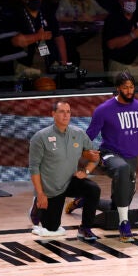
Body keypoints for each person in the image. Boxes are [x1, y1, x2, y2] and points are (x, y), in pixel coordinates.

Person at [67, 71, 138, 242]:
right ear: (117, 89)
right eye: (125, 88)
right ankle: (124, 224)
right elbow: (88, 136)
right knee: (121, 169)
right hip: (109, 155)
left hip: (131, 160)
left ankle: (84, 201)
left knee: (119, 205)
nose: (129, 91)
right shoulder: (104, 110)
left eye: (131, 87)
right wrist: (73, 155)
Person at [28, 100, 100, 240]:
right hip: (50, 188)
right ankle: (36, 207)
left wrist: (85, 172)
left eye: (68, 112)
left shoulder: (78, 134)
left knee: (93, 189)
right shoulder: (40, 137)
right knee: (52, 227)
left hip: (70, 182)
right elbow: (33, 168)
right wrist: (41, 193)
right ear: (53, 114)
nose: (66, 115)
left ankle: (85, 228)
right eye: (61, 112)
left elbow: (95, 157)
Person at [10, 0, 68, 79]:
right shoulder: (17, 16)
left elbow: (59, 38)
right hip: (26, 66)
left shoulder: (47, 13)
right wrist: (39, 36)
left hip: (50, 63)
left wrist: (64, 63)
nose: (36, 0)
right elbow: (17, 41)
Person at [55, 0, 109, 67]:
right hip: (71, 33)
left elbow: (105, 14)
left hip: (89, 33)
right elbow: (58, 17)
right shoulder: (65, 1)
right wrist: (76, 18)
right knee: (69, 47)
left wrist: (93, 18)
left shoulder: (89, 1)